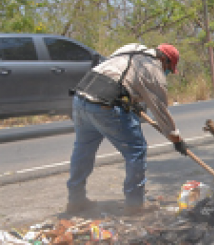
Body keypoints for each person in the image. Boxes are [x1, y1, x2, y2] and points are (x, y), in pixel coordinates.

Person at [66, 43, 187, 215]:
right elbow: (160, 110)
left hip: (81, 99)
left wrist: (132, 100)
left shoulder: (131, 47)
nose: (167, 71)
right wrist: (176, 139)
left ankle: (75, 200)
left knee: (83, 150)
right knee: (136, 151)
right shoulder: (154, 69)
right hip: (105, 106)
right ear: (164, 60)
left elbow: (119, 75)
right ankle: (134, 204)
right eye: (168, 68)